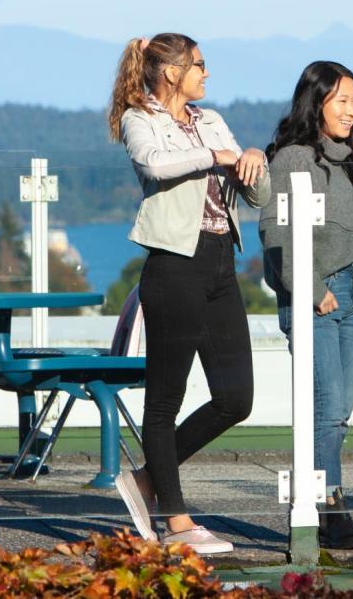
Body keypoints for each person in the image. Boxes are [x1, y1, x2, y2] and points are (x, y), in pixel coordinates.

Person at [107, 32, 271, 555]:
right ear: (171, 72)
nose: (206, 74)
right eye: (198, 65)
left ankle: (146, 479)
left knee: (234, 398)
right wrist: (215, 155)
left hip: (222, 263)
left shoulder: (211, 119)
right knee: (165, 400)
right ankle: (177, 522)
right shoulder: (140, 119)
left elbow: (255, 192)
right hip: (174, 264)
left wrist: (251, 160)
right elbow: (155, 166)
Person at [259, 61, 353, 550]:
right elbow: (278, 231)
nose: (351, 111)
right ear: (317, 103)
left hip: (350, 293)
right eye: (341, 101)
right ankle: (326, 508)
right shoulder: (293, 158)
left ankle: (321, 502)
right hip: (318, 297)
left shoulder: (343, 157)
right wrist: (310, 288)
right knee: (326, 410)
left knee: (339, 412)